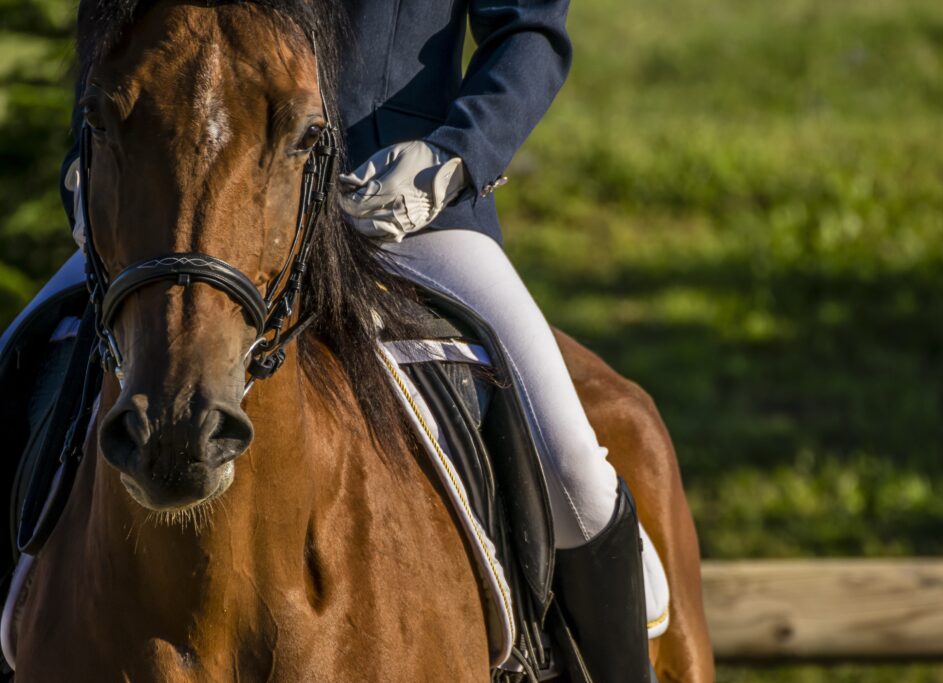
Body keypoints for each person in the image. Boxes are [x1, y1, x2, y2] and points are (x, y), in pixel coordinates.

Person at [29, 1, 669, 679]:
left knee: (576, 471)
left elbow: (530, 32)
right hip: (204, 210)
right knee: (16, 366)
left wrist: (454, 154)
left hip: (400, 207)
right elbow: (115, 38)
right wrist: (89, 158)